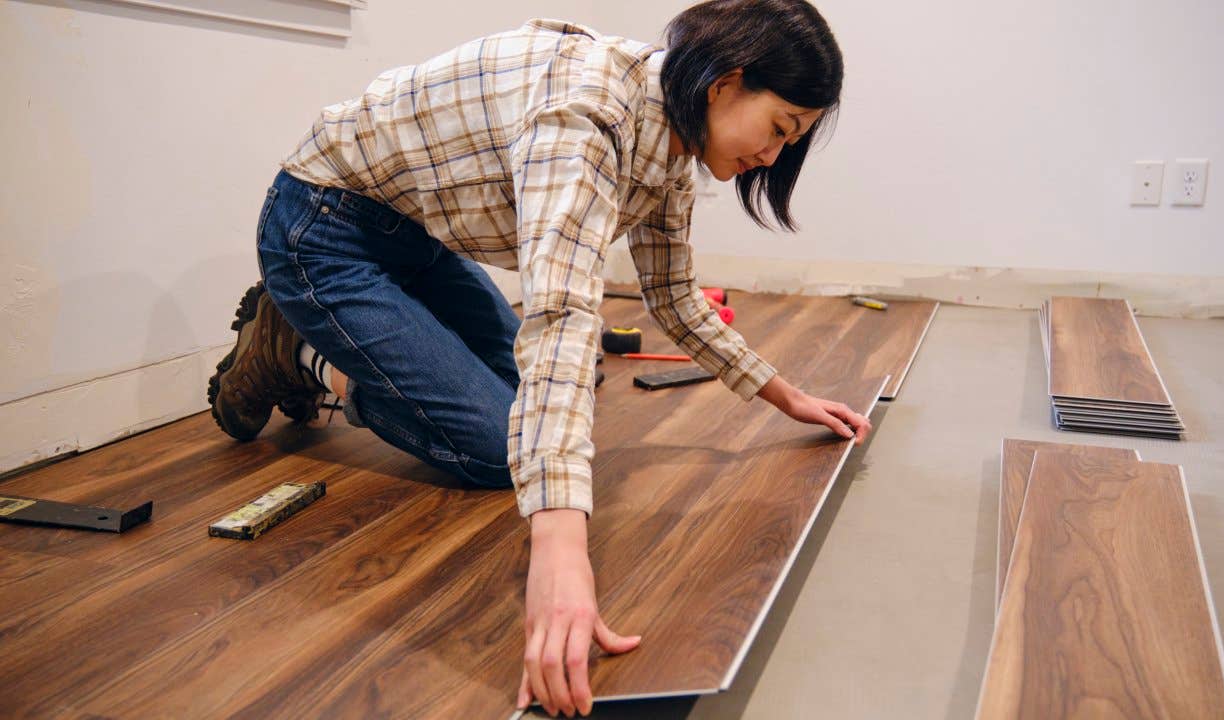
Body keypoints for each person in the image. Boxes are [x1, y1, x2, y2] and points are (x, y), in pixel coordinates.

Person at [207, 0, 869, 715]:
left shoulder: (671, 141)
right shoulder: (585, 117)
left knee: (550, 400)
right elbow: (559, 316)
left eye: (789, 141)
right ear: (725, 83)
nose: (771, 158)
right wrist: (559, 555)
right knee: (501, 447)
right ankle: (294, 352)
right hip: (324, 229)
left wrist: (785, 395)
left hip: (414, 236)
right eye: (777, 130)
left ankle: (333, 338)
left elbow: (674, 296)